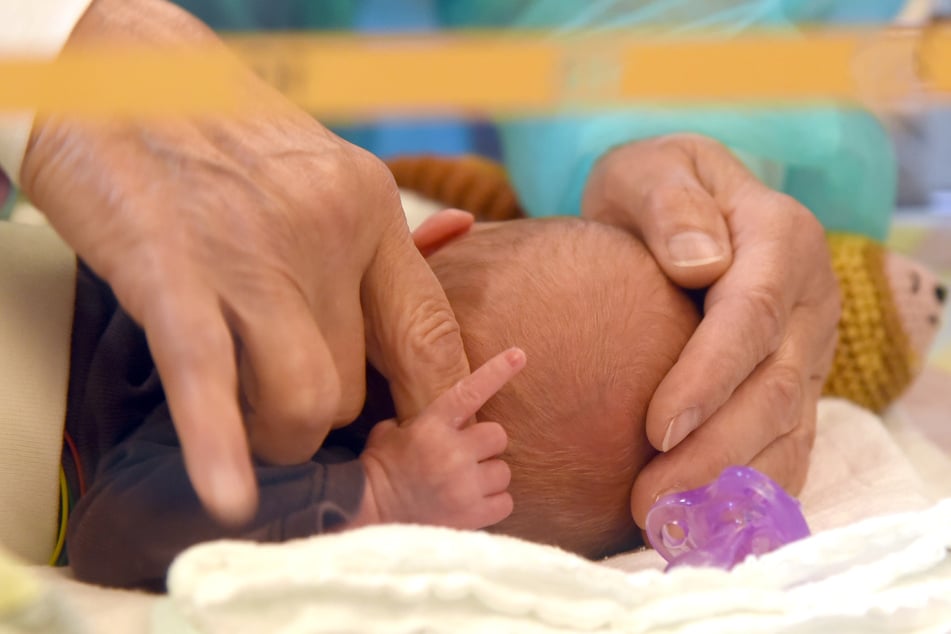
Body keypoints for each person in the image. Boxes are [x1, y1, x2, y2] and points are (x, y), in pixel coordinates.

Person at [2, 0, 895, 529]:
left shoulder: (261, 440)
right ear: (425, 235)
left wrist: (670, 135)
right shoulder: (226, 370)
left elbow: (121, 516)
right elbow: (118, 528)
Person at [65, 212, 701, 590]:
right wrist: (376, 497)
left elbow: (114, 529)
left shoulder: (267, 440)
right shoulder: (240, 312)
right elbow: (108, 536)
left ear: (429, 238)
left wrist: (374, 492)